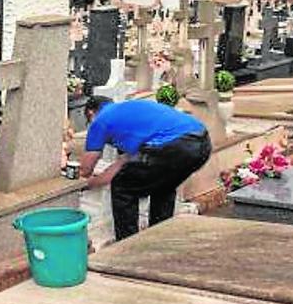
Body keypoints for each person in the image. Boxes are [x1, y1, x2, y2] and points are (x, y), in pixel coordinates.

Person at [80, 96, 212, 240]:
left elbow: (86, 169)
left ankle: (128, 244)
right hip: (202, 143)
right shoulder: (127, 116)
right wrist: (92, 183)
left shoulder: (100, 120)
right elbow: (119, 166)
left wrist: (80, 182)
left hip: (176, 145)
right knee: (162, 187)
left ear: (91, 113)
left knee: (123, 187)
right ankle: (159, 238)